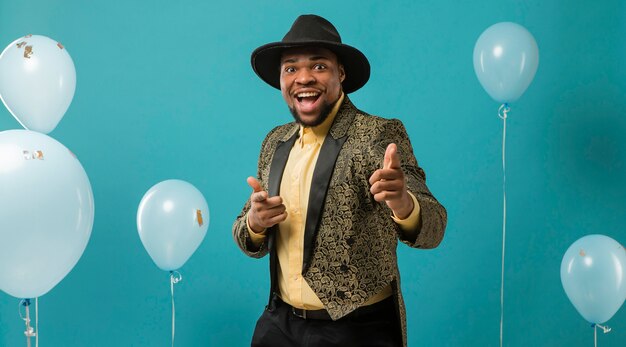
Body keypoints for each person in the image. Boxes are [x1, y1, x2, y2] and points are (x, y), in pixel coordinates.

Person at [233, 14, 447, 347]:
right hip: (279, 324)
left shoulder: (377, 134)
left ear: (340, 74)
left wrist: (404, 204)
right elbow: (245, 236)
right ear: (281, 79)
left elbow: (435, 226)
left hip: (355, 329)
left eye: (319, 66)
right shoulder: (275, 141)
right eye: (291, 68)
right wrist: (255, 222)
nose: (303, 77)